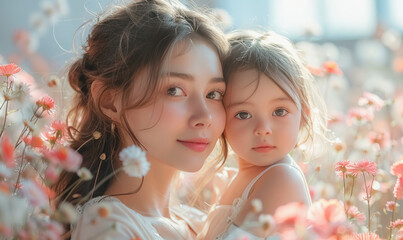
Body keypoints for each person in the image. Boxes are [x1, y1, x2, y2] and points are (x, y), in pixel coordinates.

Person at [53, 0, 229, 239]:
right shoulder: (108, 227)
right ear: (110, 101)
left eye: (214, 94)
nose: (205, 117)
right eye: (174, 90)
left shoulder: (198, 223)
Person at [198, 30, 328, 239]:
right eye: (243, 114)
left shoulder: (281, 178)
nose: (263, 128)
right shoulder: (242, 178)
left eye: (279, 111)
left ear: (304, 116)